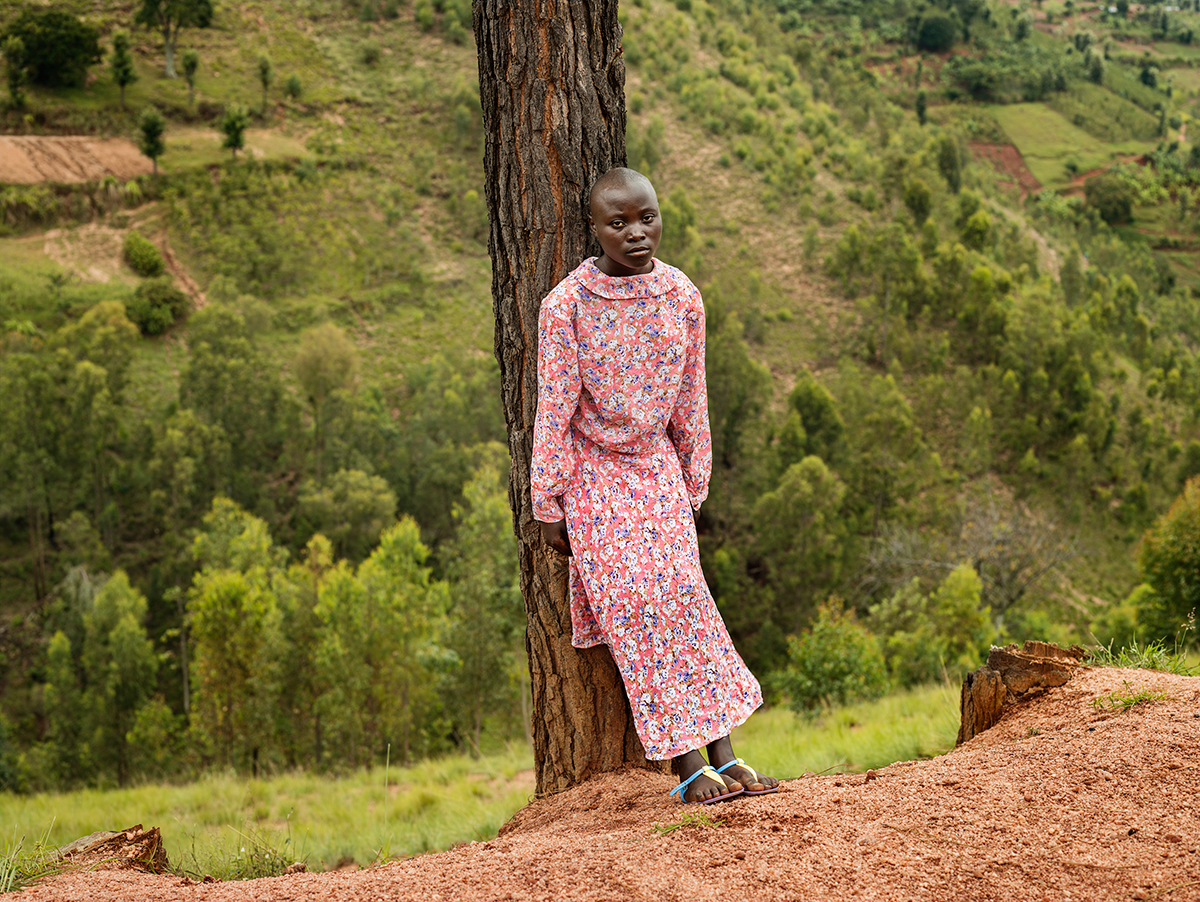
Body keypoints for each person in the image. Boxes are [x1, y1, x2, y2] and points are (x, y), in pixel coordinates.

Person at [530, 167, 779, 804]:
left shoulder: (681, 296)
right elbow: (554, 408)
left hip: (658, 472)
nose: (637, 233)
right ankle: (688, 768)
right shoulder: (566, 308)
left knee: (687, 604)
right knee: (639, 614)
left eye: (648, 217)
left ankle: (726, 756)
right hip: (594, 480)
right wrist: (547, 499)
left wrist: (695, 477)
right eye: (619, 223)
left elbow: (691, 396)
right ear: (594, 230)